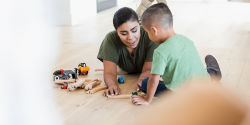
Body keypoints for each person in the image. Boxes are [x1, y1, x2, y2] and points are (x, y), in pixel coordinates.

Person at [132, 3, 222, 105]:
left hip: (182, 95)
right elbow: (194, 65)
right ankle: (213, 73)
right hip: (202, 86)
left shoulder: (160, 52)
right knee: (198, 72)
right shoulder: (186, 40)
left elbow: (153, 80)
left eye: (147, 32)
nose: (148, 36)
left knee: (145, 83)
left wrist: (147, 100)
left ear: (154, 30)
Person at [97, 7, 158, 96]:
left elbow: (149, 69)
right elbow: (109, 72)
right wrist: (112, 85)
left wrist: (142, 80)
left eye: (134, 30)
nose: (130, 37)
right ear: (117, 32)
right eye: (124, 33)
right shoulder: (111, 39)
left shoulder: (150, 35)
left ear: (139, 24)